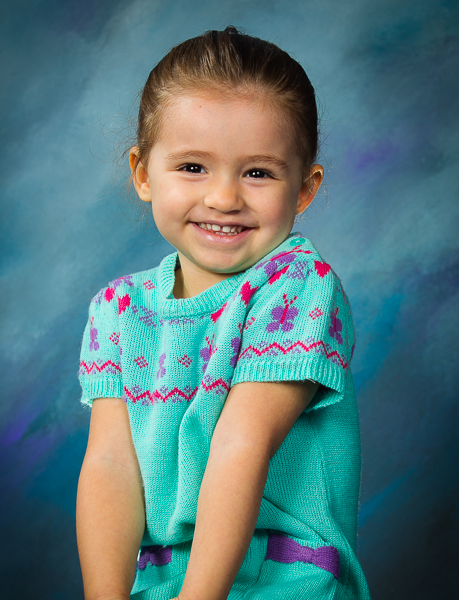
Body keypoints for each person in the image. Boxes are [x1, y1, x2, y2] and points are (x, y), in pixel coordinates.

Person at [76, 26, 371, 600]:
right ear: (143, 173)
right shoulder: (117, 309)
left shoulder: (297, 285)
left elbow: (242, 445)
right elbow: (110, 465)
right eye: (193, 167)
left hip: (283, 580)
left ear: (304, 188)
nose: (224, 198)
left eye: (258, 172)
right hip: (161, 580)